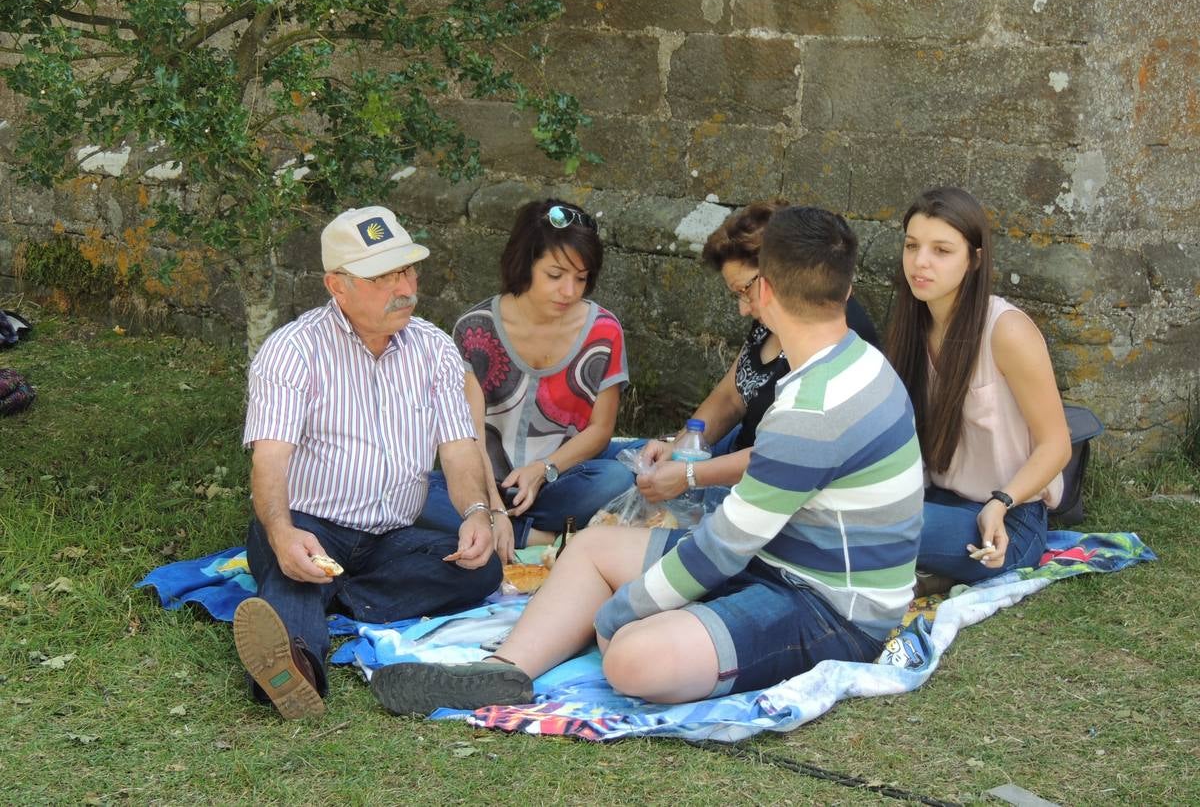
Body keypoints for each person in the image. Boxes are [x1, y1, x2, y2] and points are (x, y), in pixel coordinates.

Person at [369, 206, 925, 715]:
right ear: (848, 285)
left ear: (765, 291)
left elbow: (722, 549)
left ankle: (630, 630)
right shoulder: (855, 362)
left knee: (630, 658)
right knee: (589, 548)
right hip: (777, 559)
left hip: (830, 607)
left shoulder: (813, 408)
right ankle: (505, 670)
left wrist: (619, 612)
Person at [234, 205, 502, 720]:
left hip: (393, 535)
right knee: (296, 568)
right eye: (383, 276)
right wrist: (282, 532)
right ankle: (297, 670)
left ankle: (331, 597)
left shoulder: (434, 348)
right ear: (338, 285)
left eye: (407, 269)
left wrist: (475, 513)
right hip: (312, 524)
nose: (405, 287)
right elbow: (269, 461)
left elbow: (460, 448)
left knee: (479, 569)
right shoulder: (292, 350)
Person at [417, 200, 632, 559]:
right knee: (411, 494)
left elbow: (600, 430)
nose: (570, 291)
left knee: (617, 478)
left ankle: (507, 533)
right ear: (524, 264)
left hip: (558, 480)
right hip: (482, 485)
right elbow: (468, 434)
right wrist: (492, 509)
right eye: (555, 275)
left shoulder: (604, 331)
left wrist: (542, 470)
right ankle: (539, 537)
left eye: (581, 279)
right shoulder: (475, 328)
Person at [627, 201, 880, 506]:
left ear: (777, 273)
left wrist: (690, 473)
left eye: (745, 290)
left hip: (776, 487)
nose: (743, 309)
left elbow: (785, 454)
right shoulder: (771, 320)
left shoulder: (827, 335)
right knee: (631, 465)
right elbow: (731, 394)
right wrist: (681, 445)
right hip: (735, 455)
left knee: (613, 485)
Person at [885, 187, 1072, 587]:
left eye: (942, 250)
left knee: (872, 529)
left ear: (974, 259)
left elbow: (1057, 445)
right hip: (934, 501)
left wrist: (1001, 501)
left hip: (1008, 520)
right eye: (912, 245)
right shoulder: (911, 328)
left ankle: (911, 573)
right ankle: (919, 573)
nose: (920, 262)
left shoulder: (1006, 331)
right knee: (847, 512)